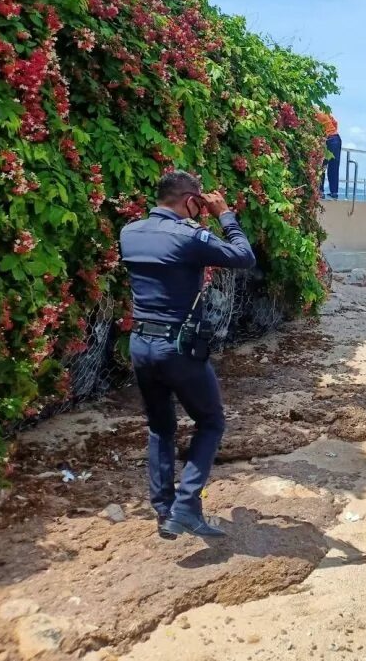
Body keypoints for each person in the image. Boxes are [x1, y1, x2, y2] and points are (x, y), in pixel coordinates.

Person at [120, 171, 257, 539]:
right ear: (190, 201)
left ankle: (166, 511)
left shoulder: (129, 233)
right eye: (198, 203)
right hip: (177, 348)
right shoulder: (190, 236)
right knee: (211, 422)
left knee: (160, 428)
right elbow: (244, 256)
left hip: (140, 346)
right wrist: (224, 214)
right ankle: (184, 506)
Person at [317, 111, 342, 200]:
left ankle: (320, 191)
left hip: (328, 139)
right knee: (334, 166)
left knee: (322, 165)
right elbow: (335, 122)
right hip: (336, 138)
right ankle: (334, 192)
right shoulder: (324, 112)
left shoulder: (314, 115)